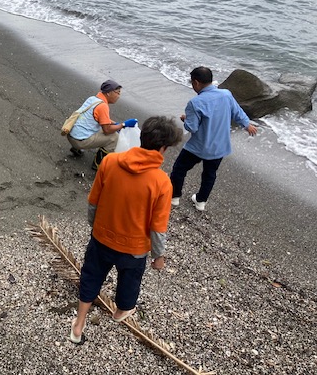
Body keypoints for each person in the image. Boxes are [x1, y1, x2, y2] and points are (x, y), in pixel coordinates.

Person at [69, 116, 182, 344]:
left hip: (101, 238)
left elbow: (93, 201)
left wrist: (96, 227)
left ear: (142, 137)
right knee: (129, 282)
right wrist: (158, 256)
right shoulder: (161, 182)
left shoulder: (110, 162)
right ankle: (121, 311)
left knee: (91, 276)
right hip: (134, 249)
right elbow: (158, 227)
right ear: (163, 148)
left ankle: (78, 325)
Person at [170, 67, 258, 211]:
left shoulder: (195, 103)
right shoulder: (226, 95)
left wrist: (185, 119)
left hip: (199, 146)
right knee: (210, 174)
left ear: (196, 82)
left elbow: (192, 128)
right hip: (219, 146)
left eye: (192, 83)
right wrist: (247, 124)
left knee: (179, 169)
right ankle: (201, 201)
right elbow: (237, 112)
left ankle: (174, 197)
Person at [67, 79, 138, 170]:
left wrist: (116, 124)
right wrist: (123, 125)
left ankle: (76, 149)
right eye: (117, 93)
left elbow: (102, 119)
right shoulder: (103, 106)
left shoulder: (93, 99)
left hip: (71, 134)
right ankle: (98, 164)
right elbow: (107, 130)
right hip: (79, 141)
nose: (118, 96)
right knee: (114, 137)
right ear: (108, 93)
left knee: (94, 126)